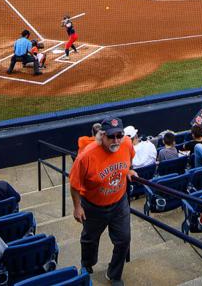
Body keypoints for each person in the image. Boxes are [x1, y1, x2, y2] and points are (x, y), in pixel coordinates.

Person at [69, 117, 137, 286]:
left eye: (119, 135)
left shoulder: (126, 143)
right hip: (93, 206)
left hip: (119, 203)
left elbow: (129, 159)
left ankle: (114, 274)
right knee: (89, 239)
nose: (116, 140)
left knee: (124, 239)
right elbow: (74, 185)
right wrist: (77, 207)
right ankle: (87, 263)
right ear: (102, 135)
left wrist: (128, 170)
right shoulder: (86, 156)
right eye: (111, 136)